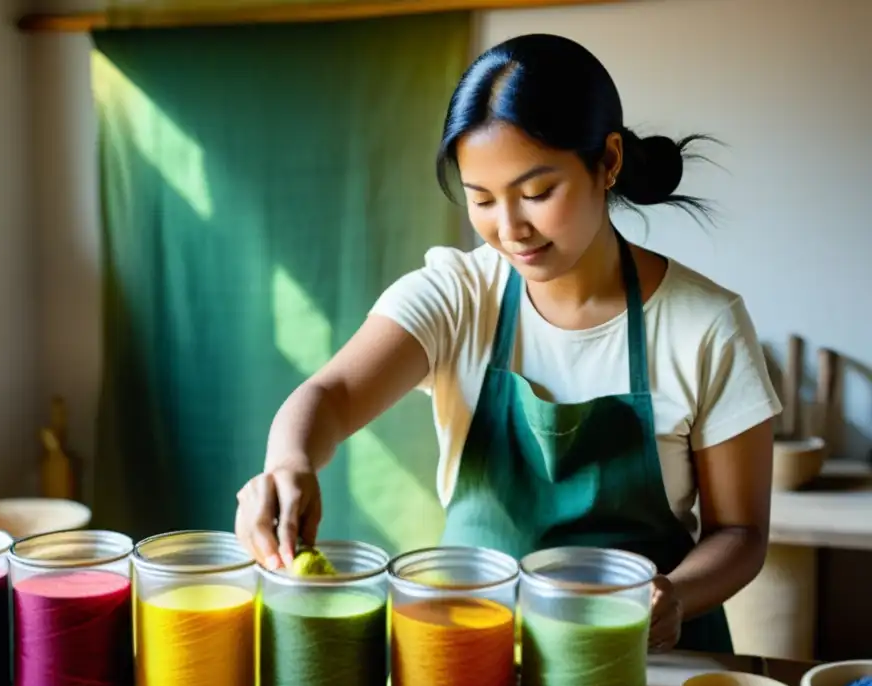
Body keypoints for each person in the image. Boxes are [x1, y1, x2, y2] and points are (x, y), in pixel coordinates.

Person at [234, 33, 780, 653]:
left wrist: (674, 596)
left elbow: (740, 533)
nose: (511, 228)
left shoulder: (704, 326)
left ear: (609, 161)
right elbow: (329, 395)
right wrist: (289, 464)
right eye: (483, 200)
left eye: (538, 193)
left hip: (644, 659)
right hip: (475, 650)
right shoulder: (458, 295)